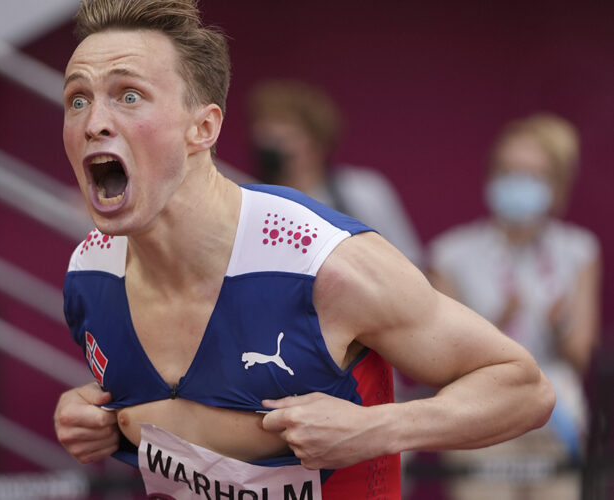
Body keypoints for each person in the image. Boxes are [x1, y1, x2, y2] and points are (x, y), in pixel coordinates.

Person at [54, 0, 555, 497]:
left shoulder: (323, 262)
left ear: (203, 128)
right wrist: (100, 416)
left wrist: (380, 427)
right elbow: (189, 412)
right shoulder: (89, 276)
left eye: (129, 96)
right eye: (78, 99)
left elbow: (525, 388)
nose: (94, 121)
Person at [428, 113, 601, 500]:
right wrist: (495, 323)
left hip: (557, 419)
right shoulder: (450, 254)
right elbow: (441, 360)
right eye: (507, 172)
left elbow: (579, 359)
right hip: (481, 419)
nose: (516, 184)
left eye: (532, 175)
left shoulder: (579, 250)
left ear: (556, 185)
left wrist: (560, 326)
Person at [248, 80, 423, 267]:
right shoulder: (253, 202)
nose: (268, 145)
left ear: (316, 142)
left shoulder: (362, 191)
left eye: (283, 136)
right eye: (263, 135)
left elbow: (407, 261)